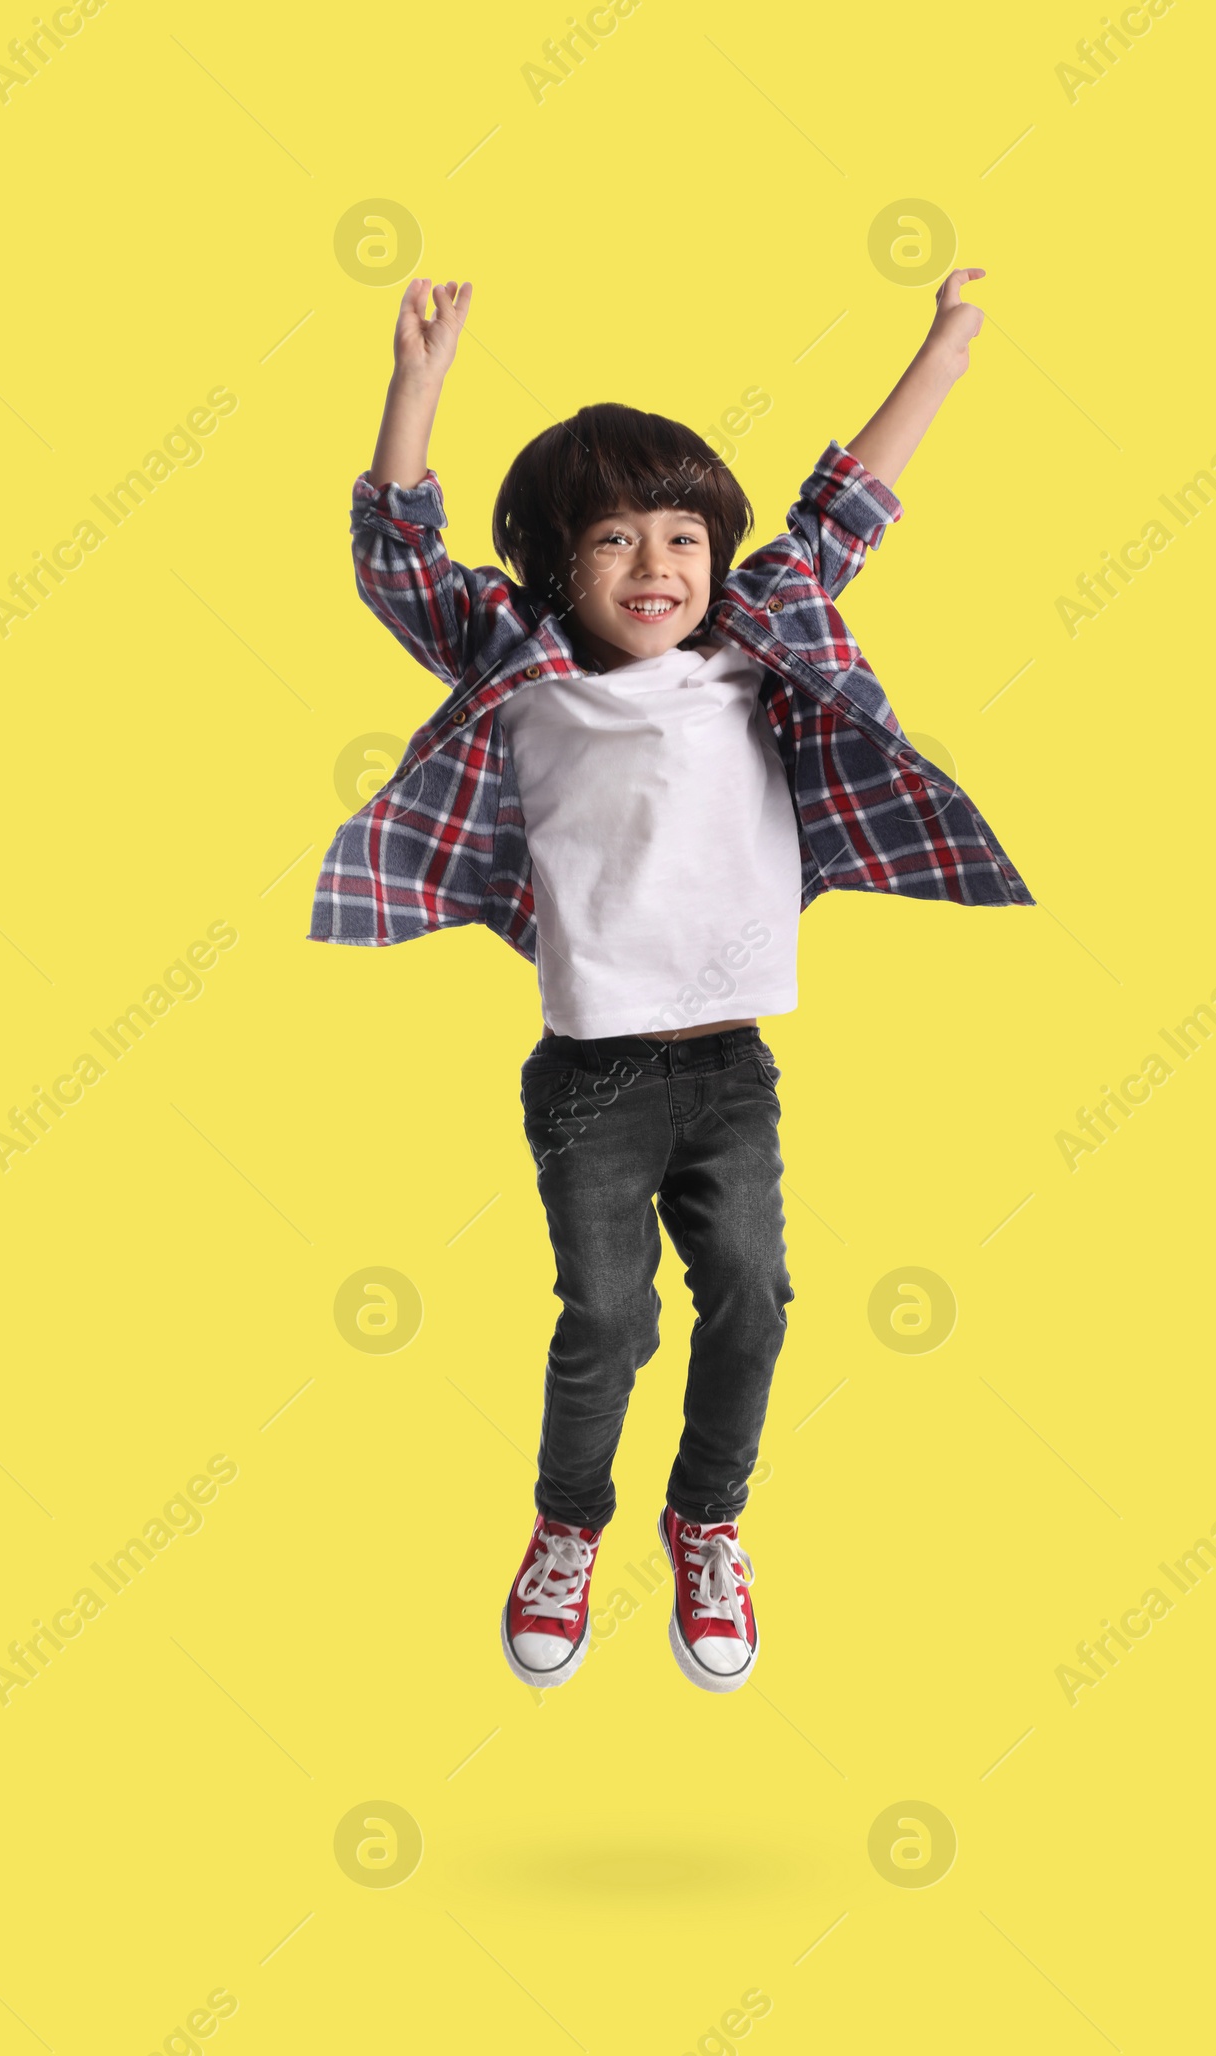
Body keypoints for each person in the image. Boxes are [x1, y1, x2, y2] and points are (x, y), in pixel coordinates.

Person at [310, 270, 1033, 1693]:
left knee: (755, 1301)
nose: (658, 564)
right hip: (594, 1077)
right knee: (610, 1318)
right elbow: (396, 556)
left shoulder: (756, 645)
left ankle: (707, 1522)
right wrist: (418, 381)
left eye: (685, 535)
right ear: (556, 567)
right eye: (617, 539)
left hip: (730, 1069)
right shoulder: (519, 663)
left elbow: (848, 505)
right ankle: (567, 1531)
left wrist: (942, 348)